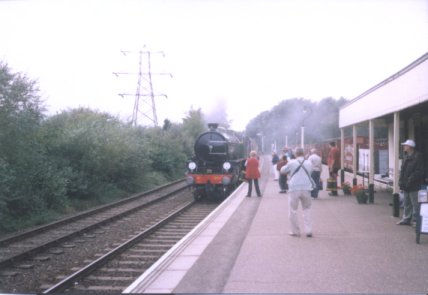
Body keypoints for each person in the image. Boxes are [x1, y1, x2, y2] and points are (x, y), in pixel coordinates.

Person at [280, 147, 315, 237]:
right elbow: (310, 172)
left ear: (295, 154)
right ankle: (308, 230)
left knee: (293, 210)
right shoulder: (309, 163)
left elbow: (282, 170)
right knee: (307, 209)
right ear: (303, 154)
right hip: (307, 188)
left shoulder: (291, 162)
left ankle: (295, 231)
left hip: (294, 188)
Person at [397, 139, 424, 226]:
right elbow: (403, 170)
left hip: (414, 184)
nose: (404, 147)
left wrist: (410, 179)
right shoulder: (406, 156)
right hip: (406, 184)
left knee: (415, 203)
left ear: (410, 147)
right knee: (406, 202)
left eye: (405, 145)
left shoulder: (418, 156)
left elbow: (419, 171)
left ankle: (416, 221)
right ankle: (406, 219)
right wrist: (401, 181)